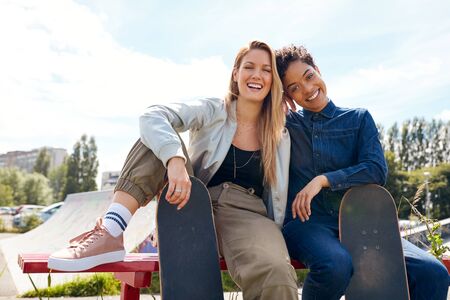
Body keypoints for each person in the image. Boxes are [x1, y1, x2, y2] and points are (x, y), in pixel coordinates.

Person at [48, 40, 299, 299]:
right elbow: (152, 116)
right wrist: (174, 160)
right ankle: (111, 230)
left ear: (273, 81)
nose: (257, 75)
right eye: (249, 67)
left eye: (266, 70)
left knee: (276, 273)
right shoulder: (213, 109)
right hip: (192, 203)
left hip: (247, 214)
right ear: (235, 74)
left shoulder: (281, 131)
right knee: (158, 138)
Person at [275, 44, 449, 300]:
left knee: (433, 273)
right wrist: (274, 102)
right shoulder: (286, 124)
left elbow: (376, 169)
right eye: (294, 88)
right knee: (335, 266)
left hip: (366, 224)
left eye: (309, 76)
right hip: (308, 225)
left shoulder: (358, 119)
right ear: (288, 96)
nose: (308, 89)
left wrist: (323, 180)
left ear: (318, 70)